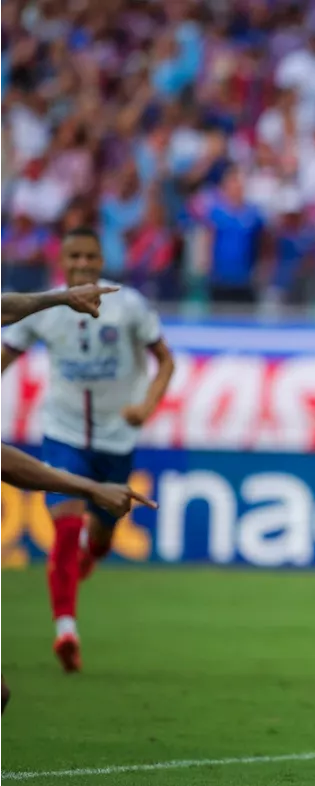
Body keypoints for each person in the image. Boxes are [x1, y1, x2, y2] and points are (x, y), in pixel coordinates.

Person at [0, 227, 174, 674]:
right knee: (64, 524)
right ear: (63, 259)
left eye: (89, 257)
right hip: (64, 431)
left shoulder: (130, 305)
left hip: (118, 438)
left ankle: (91, 557)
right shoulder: (47, 309)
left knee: (101, 535)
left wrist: (147, 405)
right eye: (73, 256)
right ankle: (66, 629)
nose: (81, 264)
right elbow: (6, 355)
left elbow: (165, 360)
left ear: (101, 260)